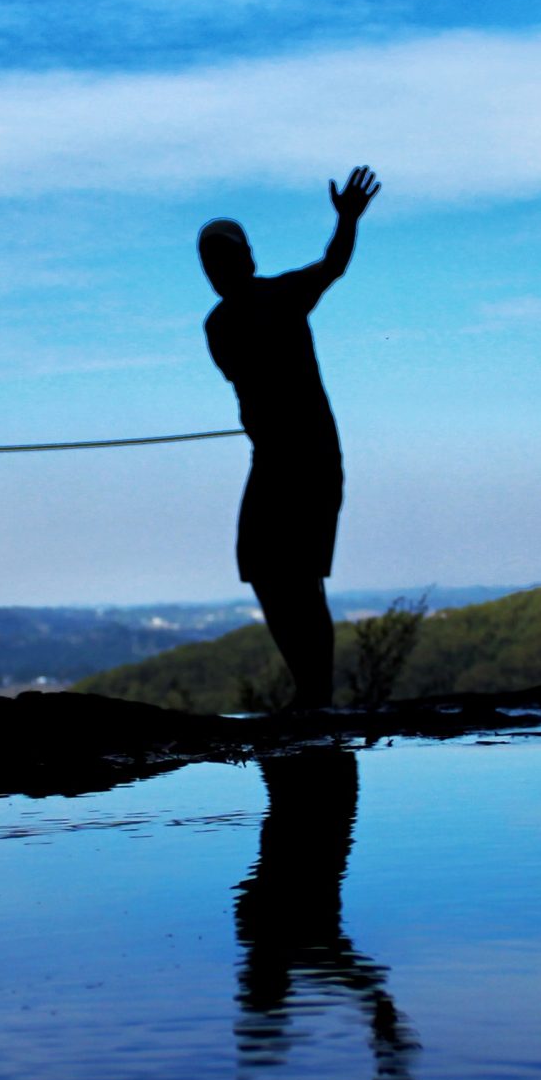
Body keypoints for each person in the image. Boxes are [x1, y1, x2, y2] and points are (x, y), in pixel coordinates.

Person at [201, 166, 380, 711]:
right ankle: (312, 691)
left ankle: (315, 695)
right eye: (211, 261)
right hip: (283, 457)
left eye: (224, 257)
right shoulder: (230, 320)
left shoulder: (263, 304)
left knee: (295, 577)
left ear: (246, 259)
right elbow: (331, 268)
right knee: (264, 566)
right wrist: (345, 221)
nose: (218, 268)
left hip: (306, 458)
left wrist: (346, 220)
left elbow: (334, 265)